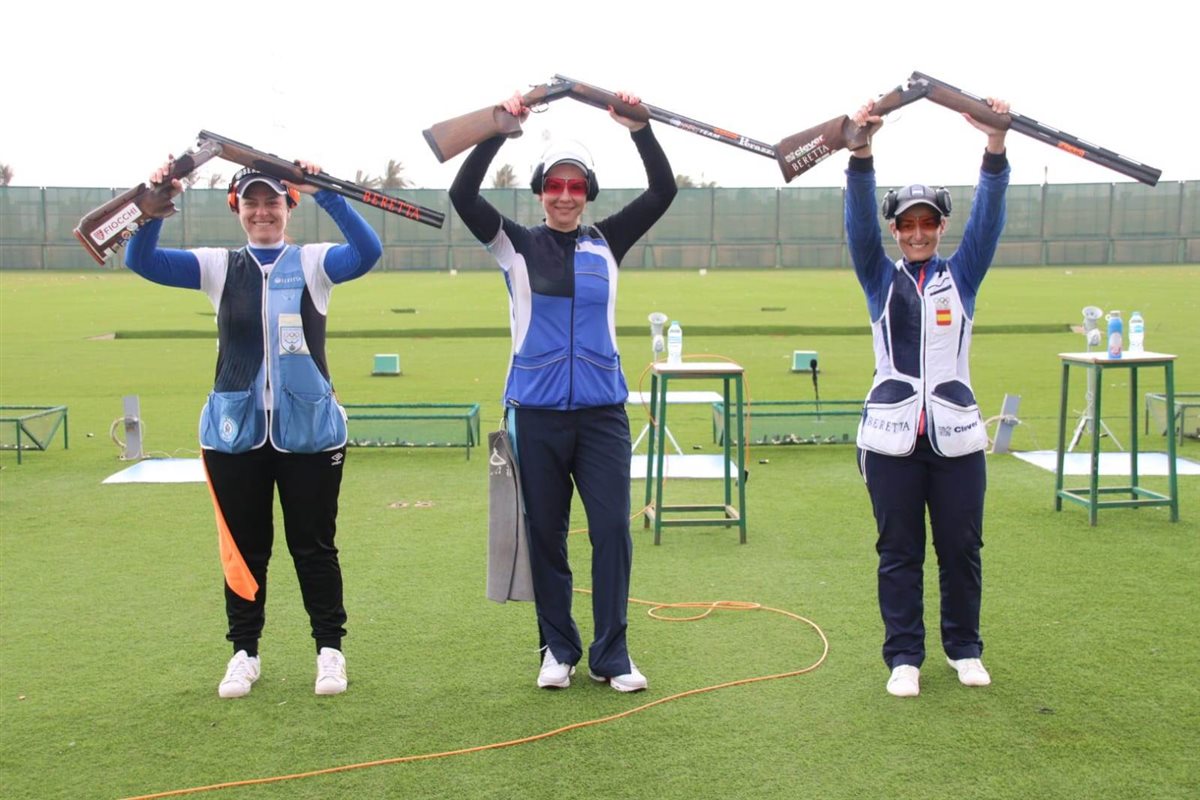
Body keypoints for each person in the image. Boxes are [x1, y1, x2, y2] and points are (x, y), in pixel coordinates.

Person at [124, 158, 383, 698]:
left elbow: (367, 252)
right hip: (234, 431)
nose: (262, 211)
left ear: (289, 207)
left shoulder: (313, 262)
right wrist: (156, 204)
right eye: (251, 202)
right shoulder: (218, 265)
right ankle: (244, 653)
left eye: (273, 201)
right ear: (237, 209)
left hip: (310, 431)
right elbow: (140, 260)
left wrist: (325, 192)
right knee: (245, 550)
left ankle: (329, 651)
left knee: (314, 547)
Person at [449, 90, 677, 692]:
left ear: (588, 192)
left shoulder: (609, 241)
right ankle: (557, 648)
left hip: (603, 416)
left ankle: (612, 654)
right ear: (541, 191)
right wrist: (500, 129)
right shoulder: (515, 245)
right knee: (545, 536)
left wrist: (640, 129)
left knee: (612, 532)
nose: (566, 196)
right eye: (555, 186)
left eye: (576, 186)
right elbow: (462, 195)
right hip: (536, 415)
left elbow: (663, 191)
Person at [845, 95, 1010, 697]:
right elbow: (858, 227)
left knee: (962, 548)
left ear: (941, 228)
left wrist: (995, 148)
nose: (917, 233)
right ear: (895, 230)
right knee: (899, 551)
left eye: (928, 224)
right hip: (890, 441)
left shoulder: (961, 276)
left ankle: (964, 649)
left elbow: (989, 221)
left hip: (957, 437)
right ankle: (904, 657)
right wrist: (860, 156)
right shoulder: (878, 277)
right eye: (907, 225)